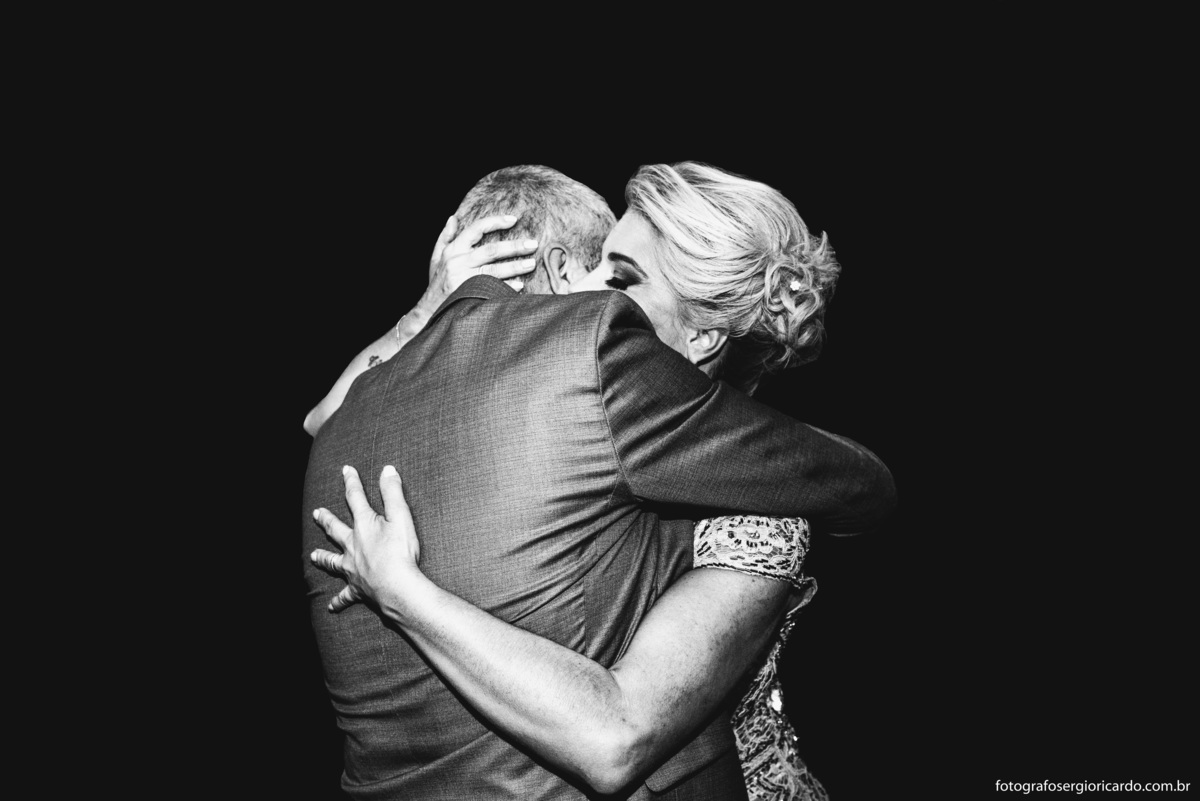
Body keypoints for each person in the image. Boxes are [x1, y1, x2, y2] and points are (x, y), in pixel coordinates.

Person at [302, 163, 894, 799]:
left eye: (620, 279)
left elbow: (614, 735)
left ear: (701, 335)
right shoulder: (577, 404)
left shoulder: (753, 513)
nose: (586, 295)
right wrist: (435, 307)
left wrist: (404, 595)